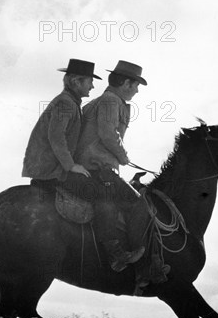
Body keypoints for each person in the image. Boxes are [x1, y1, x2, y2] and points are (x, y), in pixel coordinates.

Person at [22, 58, 145, 273]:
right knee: (107, 195)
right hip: (53, 168)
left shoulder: (75, 103)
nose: (92, 85)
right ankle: (115, 253)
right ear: (76, 81)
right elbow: (59, 136)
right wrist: (72, 166)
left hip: (68, 165)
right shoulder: (77, 102)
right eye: (89, 81)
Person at [76, 60, 167, 284]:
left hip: (93, 165)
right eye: (136, 85)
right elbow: (108, 134)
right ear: (126, 83)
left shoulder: (104, 101)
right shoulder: (110, 100)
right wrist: (123, 156)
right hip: (98, 167)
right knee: (140, 204)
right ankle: (125, 257)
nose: (136, 91)